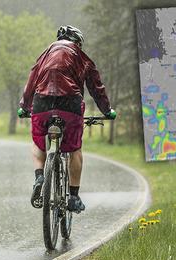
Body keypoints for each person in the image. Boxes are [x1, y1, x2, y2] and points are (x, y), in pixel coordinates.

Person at [18, 25, 116, 213]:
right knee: (75, 149)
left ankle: (39, 177)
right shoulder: (82, 56)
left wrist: (24, 106)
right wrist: (107, 110)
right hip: (70, 104)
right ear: (78, 42)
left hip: (42, 103)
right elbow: (96, 88)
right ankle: (74, 196)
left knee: (39, 144)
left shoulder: (44, 55)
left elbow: (31, 81)